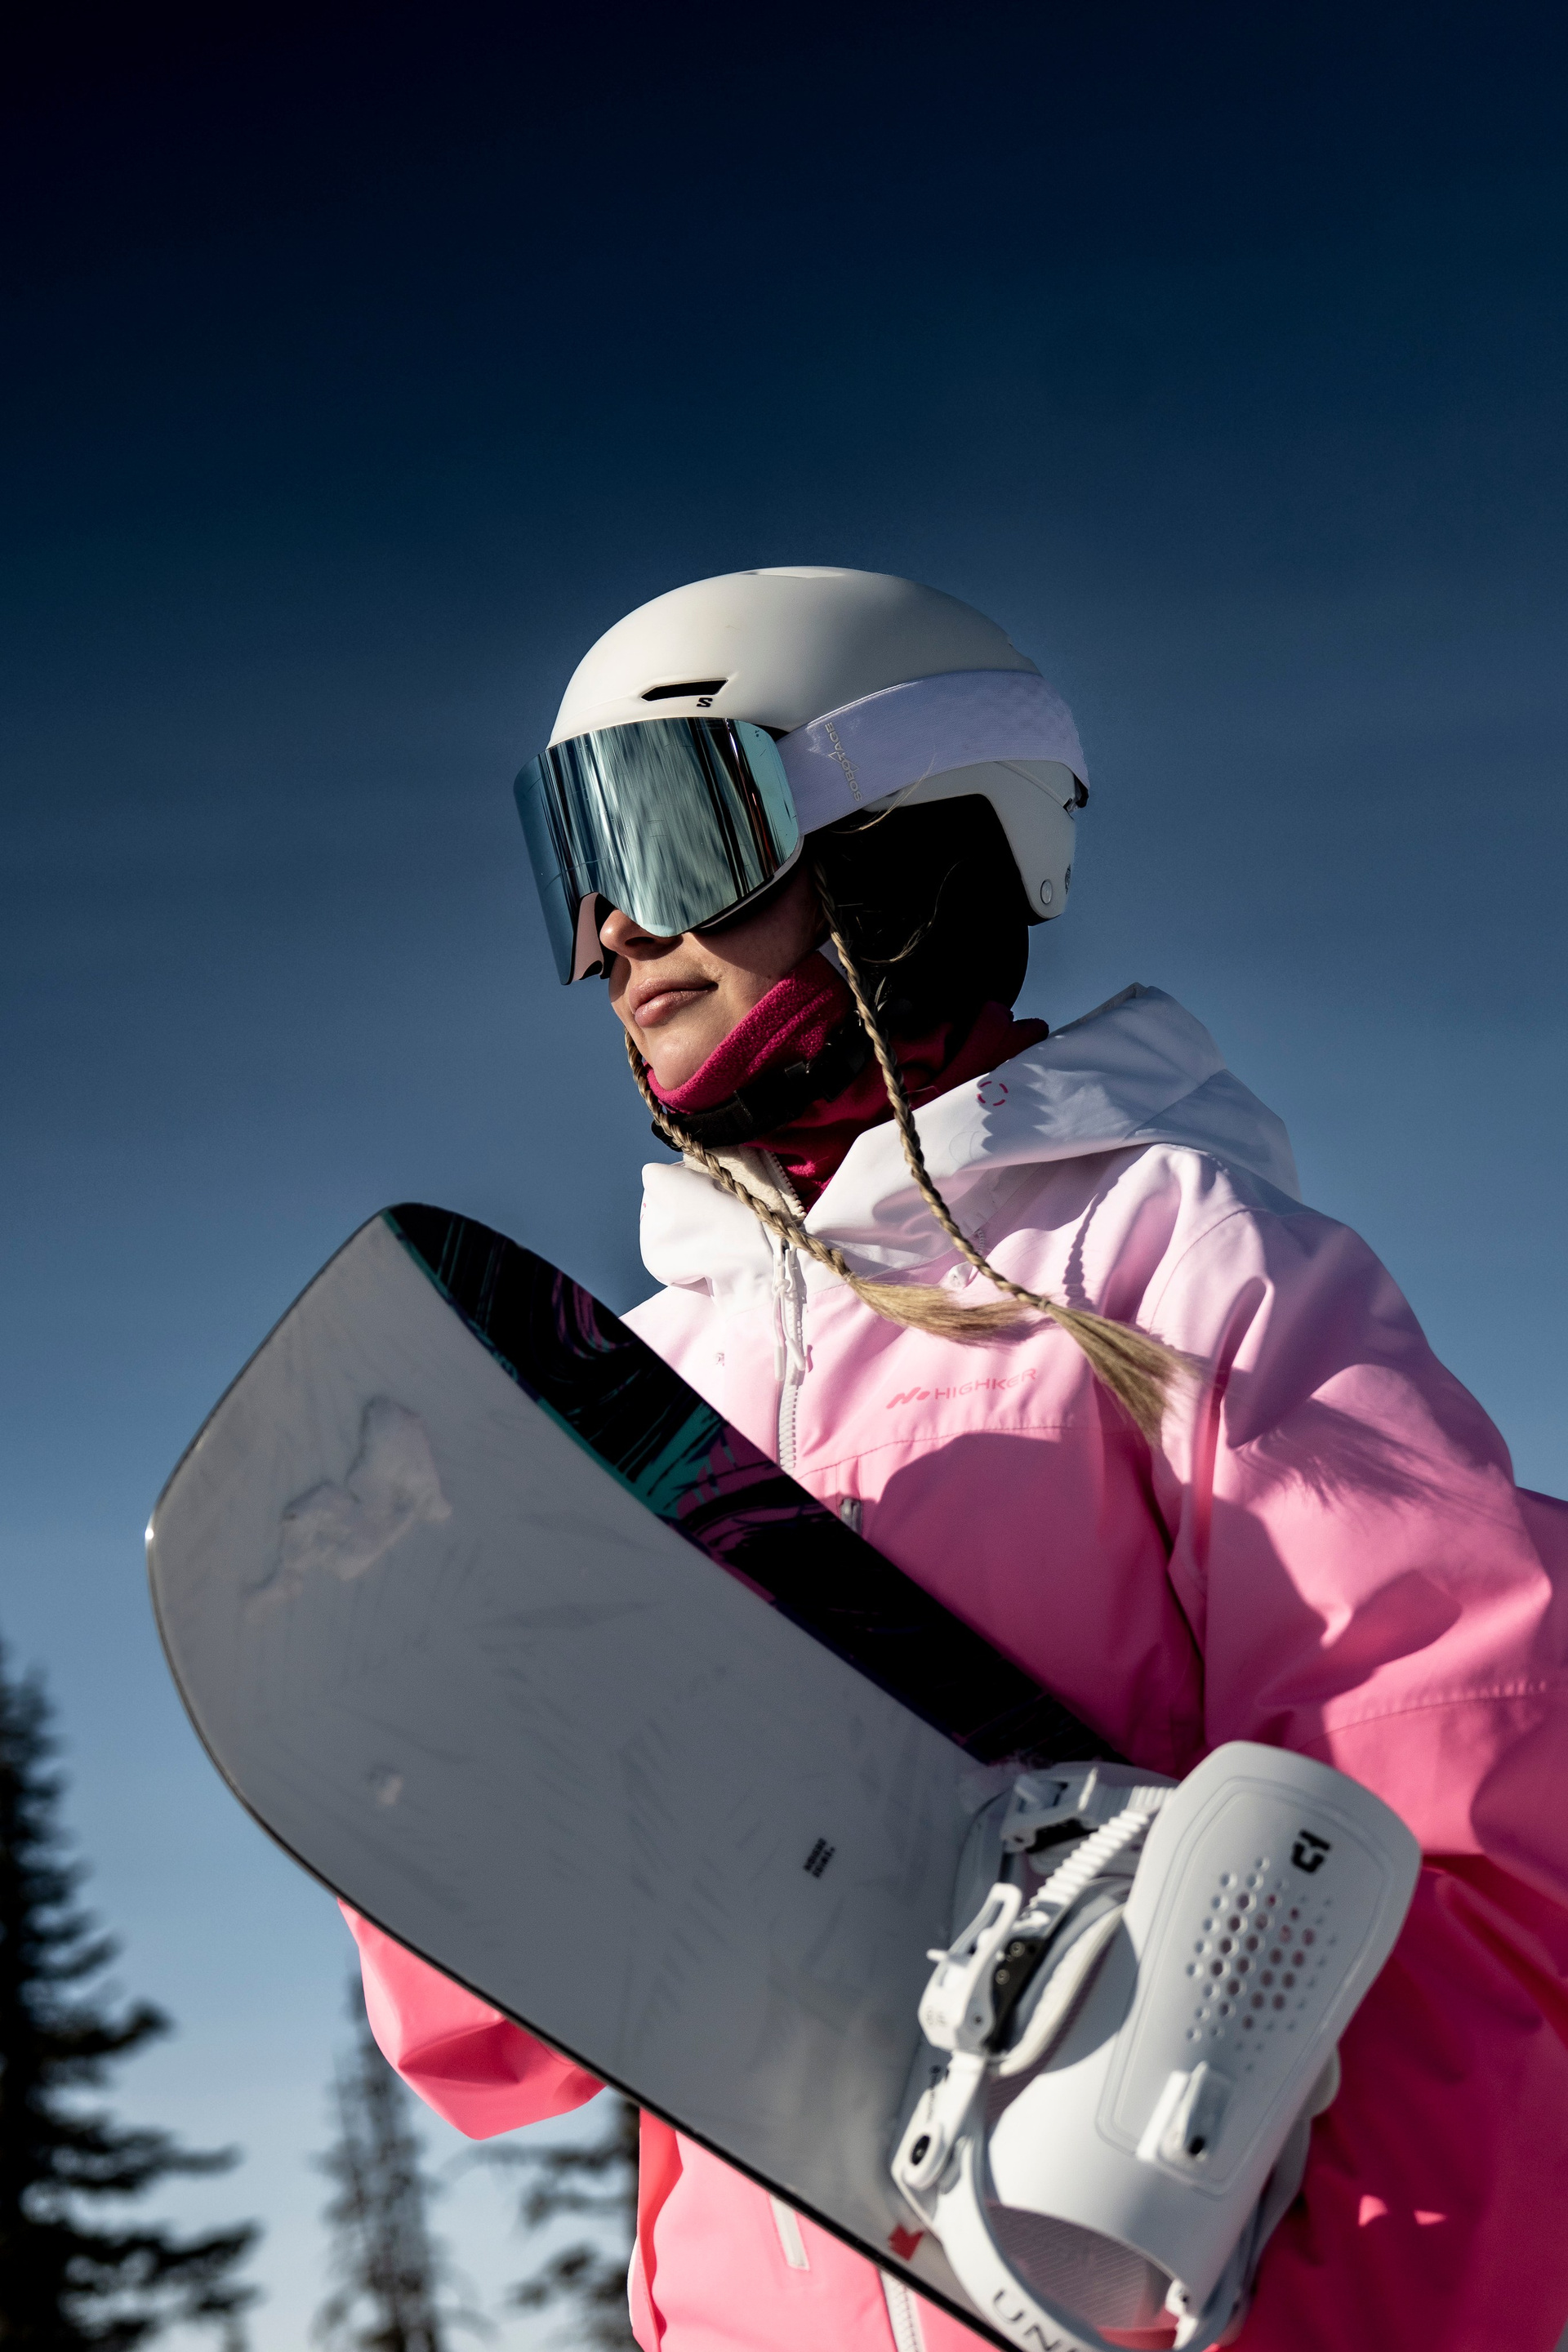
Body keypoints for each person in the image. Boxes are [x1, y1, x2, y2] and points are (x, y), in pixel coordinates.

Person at [345, 568, 1568, 2351]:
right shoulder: (641, 1392)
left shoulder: (1170, 1264)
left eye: (669, 831)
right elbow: (496, 2038)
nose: (609, 931)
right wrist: (428, 1736)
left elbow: (1473, 1860)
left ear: (905, 840)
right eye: (574, 862)